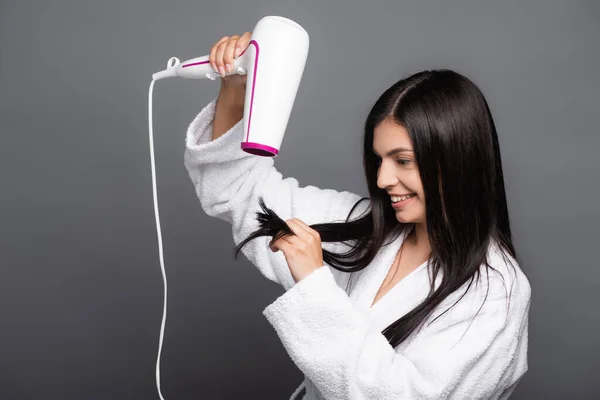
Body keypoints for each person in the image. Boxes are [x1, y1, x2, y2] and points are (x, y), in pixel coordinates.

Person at [183, 32, 531, 400]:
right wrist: (236, 87)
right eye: (379, 159)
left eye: (403, 161)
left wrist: (313, 283)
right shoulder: (365, 228)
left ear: (456, 161)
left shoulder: (496, 292)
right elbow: (236, 189)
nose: (382, 180)